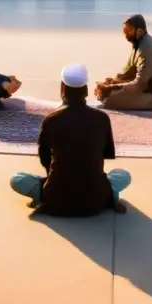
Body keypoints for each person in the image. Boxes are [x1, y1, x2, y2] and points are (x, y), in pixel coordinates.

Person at [10, 64, 130, 216]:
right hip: (95, 199)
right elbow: (104, 155)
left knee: (18, 179)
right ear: (86, 91)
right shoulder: (102, 118)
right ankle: (110, 197)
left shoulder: (51, 120)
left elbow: (45, 160)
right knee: (122, 175)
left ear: (62, 89)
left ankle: (42, 197)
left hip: (55, 198)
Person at [94, 14, 152, 110]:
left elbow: (139, 83)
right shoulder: (138, 43)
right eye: (125, 30)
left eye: (129, 30)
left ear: (139, 31)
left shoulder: (146, 49)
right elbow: (129, 73)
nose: (125, 33)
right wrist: (112, 82)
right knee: (108, 91)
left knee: (111, 100)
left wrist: (111, 88)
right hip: (148, 88)